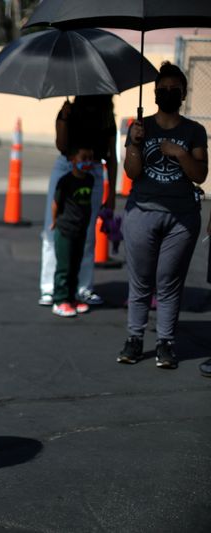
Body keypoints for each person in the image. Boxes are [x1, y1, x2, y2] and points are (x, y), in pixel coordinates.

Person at [117, 62, 208, 369]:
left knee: (169, 282)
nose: (168, 94)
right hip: (142, 212)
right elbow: (132, 172)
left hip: (181, 219)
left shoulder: (195, 131)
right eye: (162, 90)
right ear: (154, 93)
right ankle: (134, 338)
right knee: (141, 282)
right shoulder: (141, 127)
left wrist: (180, 153)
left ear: (183, 93)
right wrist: (135, 143)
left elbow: (200, 175)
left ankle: (165, 343)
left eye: (174, 90)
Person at [39, 95, 117, 307]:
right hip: (66, 167)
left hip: (93, 171)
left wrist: (111, 195)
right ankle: (49, 288)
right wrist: (63, 118)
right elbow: (61, 144)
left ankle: (82, 288)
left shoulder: (107, 117)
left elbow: (111, 157)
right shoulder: (69, 110)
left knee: (87, 231)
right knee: (53, 228)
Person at [50, 145, 95, 317]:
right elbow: (56, 204)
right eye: (84, 158)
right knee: (64, 267)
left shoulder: (90, 180)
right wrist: (54, 222)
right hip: (65, 230)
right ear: (73, 159)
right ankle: (60, 300)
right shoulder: (65, 181)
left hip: (80, 230)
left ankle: (71, 297)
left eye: (90, 158)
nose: (87, 162)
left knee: (76, 265)